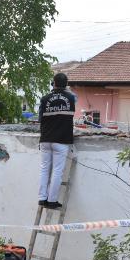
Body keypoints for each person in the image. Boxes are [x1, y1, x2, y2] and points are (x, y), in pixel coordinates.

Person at [38, 73, 75, 209]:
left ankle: (42, 198)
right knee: (57, 170)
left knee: (44, 169)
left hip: (46, 139)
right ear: (66, 84)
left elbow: (40, 119)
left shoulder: (44, 99)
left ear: (53, 83)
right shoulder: (71, 98)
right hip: (61, 140)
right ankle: (52, 200)